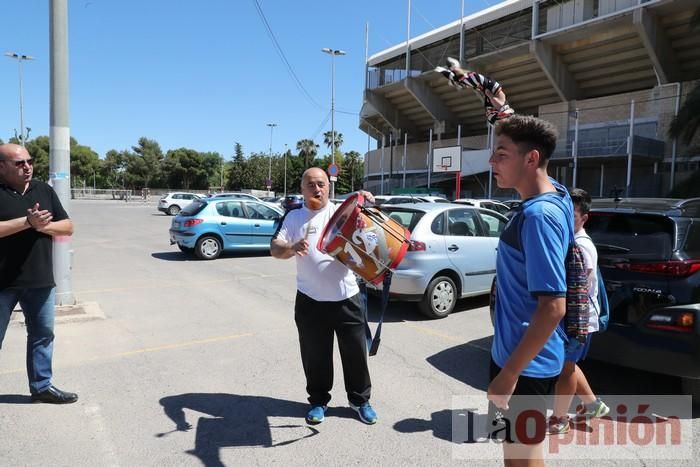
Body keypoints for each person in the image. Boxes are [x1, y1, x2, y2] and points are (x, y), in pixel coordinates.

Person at [487, 115, 573, 466]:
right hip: (518, 357)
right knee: (516, 451)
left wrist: (509, 374)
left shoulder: (539, 217)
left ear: (531, 159)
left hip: (523, 365)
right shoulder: (558, 194)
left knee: (521, 457)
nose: (492, 161)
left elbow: (553, 306)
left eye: (501, 153)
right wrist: (504, 113)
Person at [270, 167, 377, 425]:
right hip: (310, 301)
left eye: (321, 184)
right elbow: (275, 248)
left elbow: (371, 231)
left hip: (347, 298)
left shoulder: (343, 213)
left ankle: (360, 401)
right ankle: (318, 401)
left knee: (355, 355)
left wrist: (366, 202)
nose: (317, 189)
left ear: (329, 187)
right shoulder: (294, 218)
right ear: (302, 189)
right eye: (311, 185)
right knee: (315, 356)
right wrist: (292, 248)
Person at [0, 143, 77, 404]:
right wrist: (27, 222)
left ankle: (42, 386)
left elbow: (67, 227)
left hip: (40, 281)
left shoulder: (43, 190)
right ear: (2, 167)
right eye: (19, 163)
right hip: (3, 282)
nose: (27, 167)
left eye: (29, 161)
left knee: (42, 336)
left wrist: (43, 227)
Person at [548, 188, 609, 435]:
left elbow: (578, 288)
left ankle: (559, 418)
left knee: (566, 368)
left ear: (584, 218)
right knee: (568, 365)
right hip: (576, 318)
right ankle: (593, 404)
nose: (565, 219)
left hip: (576, 319)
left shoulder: (581, 246)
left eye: (571, 215)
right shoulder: (571, 242)